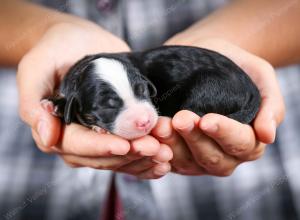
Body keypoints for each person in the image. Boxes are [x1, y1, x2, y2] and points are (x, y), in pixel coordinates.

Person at [0, 0, 299, 219]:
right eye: (110, 103)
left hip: (252, 187)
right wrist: (40, 34)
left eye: (141, 93)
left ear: (147, 86)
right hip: (23, 177)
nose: (143, 116)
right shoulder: (72, 92)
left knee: (192, 119)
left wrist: (236, 40)